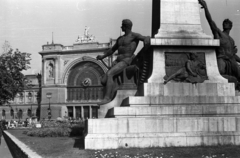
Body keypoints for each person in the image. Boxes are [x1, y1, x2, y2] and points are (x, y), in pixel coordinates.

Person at [96, 19, 150, 104]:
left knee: (110, 74)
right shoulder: (120, 39)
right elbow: (112, 50)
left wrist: (147, 39)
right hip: (117, 61)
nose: (121, 27)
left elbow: (145, 38)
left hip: (126, 61)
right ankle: (112, 94)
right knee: (103, 81)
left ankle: (107, 98)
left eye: (122, 25)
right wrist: (102, 56)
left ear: (126, 26)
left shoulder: (134, 36)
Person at [198, 0, 240, 82]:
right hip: (221, 59)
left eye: (227, 23)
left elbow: (233, 54)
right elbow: (210, 21)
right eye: (224, 23)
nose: (225, 23)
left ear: (230, 26)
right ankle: (230, 80)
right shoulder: (219, 33)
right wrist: (206, 8)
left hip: (231, 60)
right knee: (219, 72)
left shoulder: (231, 40)